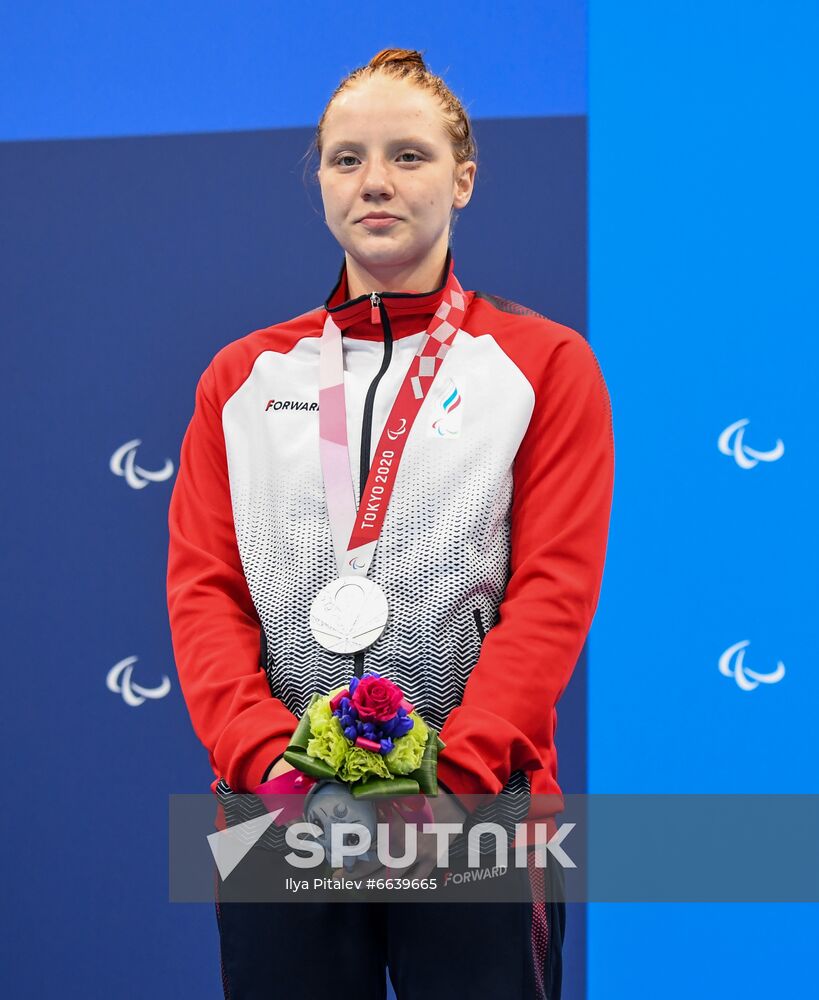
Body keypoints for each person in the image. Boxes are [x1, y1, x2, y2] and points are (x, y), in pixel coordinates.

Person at [166, 47, 614, 1000]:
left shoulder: (543, 364)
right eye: (345, 159)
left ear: (462, 178)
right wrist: (270, 769)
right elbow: (205, 591)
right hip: (275, 815)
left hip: (475, 811)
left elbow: (552, 593)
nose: (374, 182)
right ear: (320, 182)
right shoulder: (242, 376)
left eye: (407, 156)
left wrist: (452, 774)